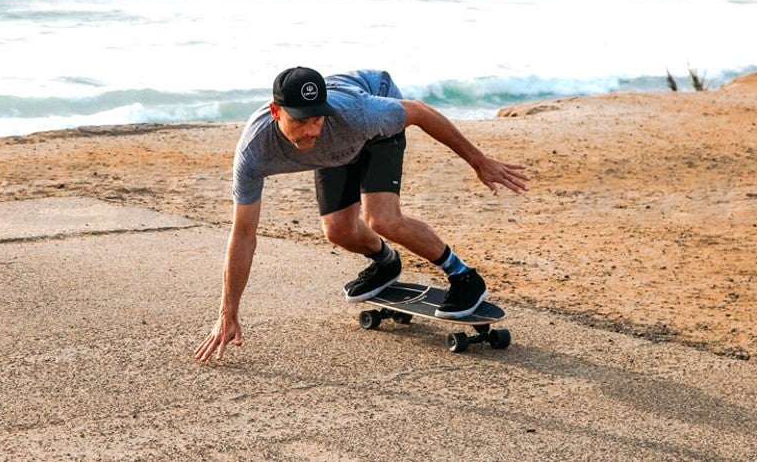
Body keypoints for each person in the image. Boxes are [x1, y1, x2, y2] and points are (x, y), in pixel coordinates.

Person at [195, 66, 530, 362]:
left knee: (382, 219)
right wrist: (228, 311)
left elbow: (419, 111)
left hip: (372, 108)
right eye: (300, 121)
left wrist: (479, 162)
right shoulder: (254, 151)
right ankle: (386, 263)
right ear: (275, 111)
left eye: (316, 118)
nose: (310, 130)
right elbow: (243, 234)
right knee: (338, 230)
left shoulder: (357, 113)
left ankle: (464, 276)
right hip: (339, 147)